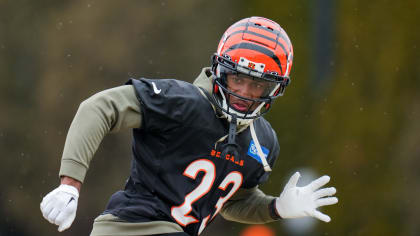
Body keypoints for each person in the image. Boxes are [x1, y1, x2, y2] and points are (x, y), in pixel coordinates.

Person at [40, 16, 338, 236]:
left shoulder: (264, 142)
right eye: (238, 78)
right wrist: (71, 183)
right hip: (132, 227)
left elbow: (232, 201)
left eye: (258, 84)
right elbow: (100, 108)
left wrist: (276, 209)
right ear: (221, 70)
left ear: (274, 88)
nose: (244, 92)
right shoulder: (183, 102)